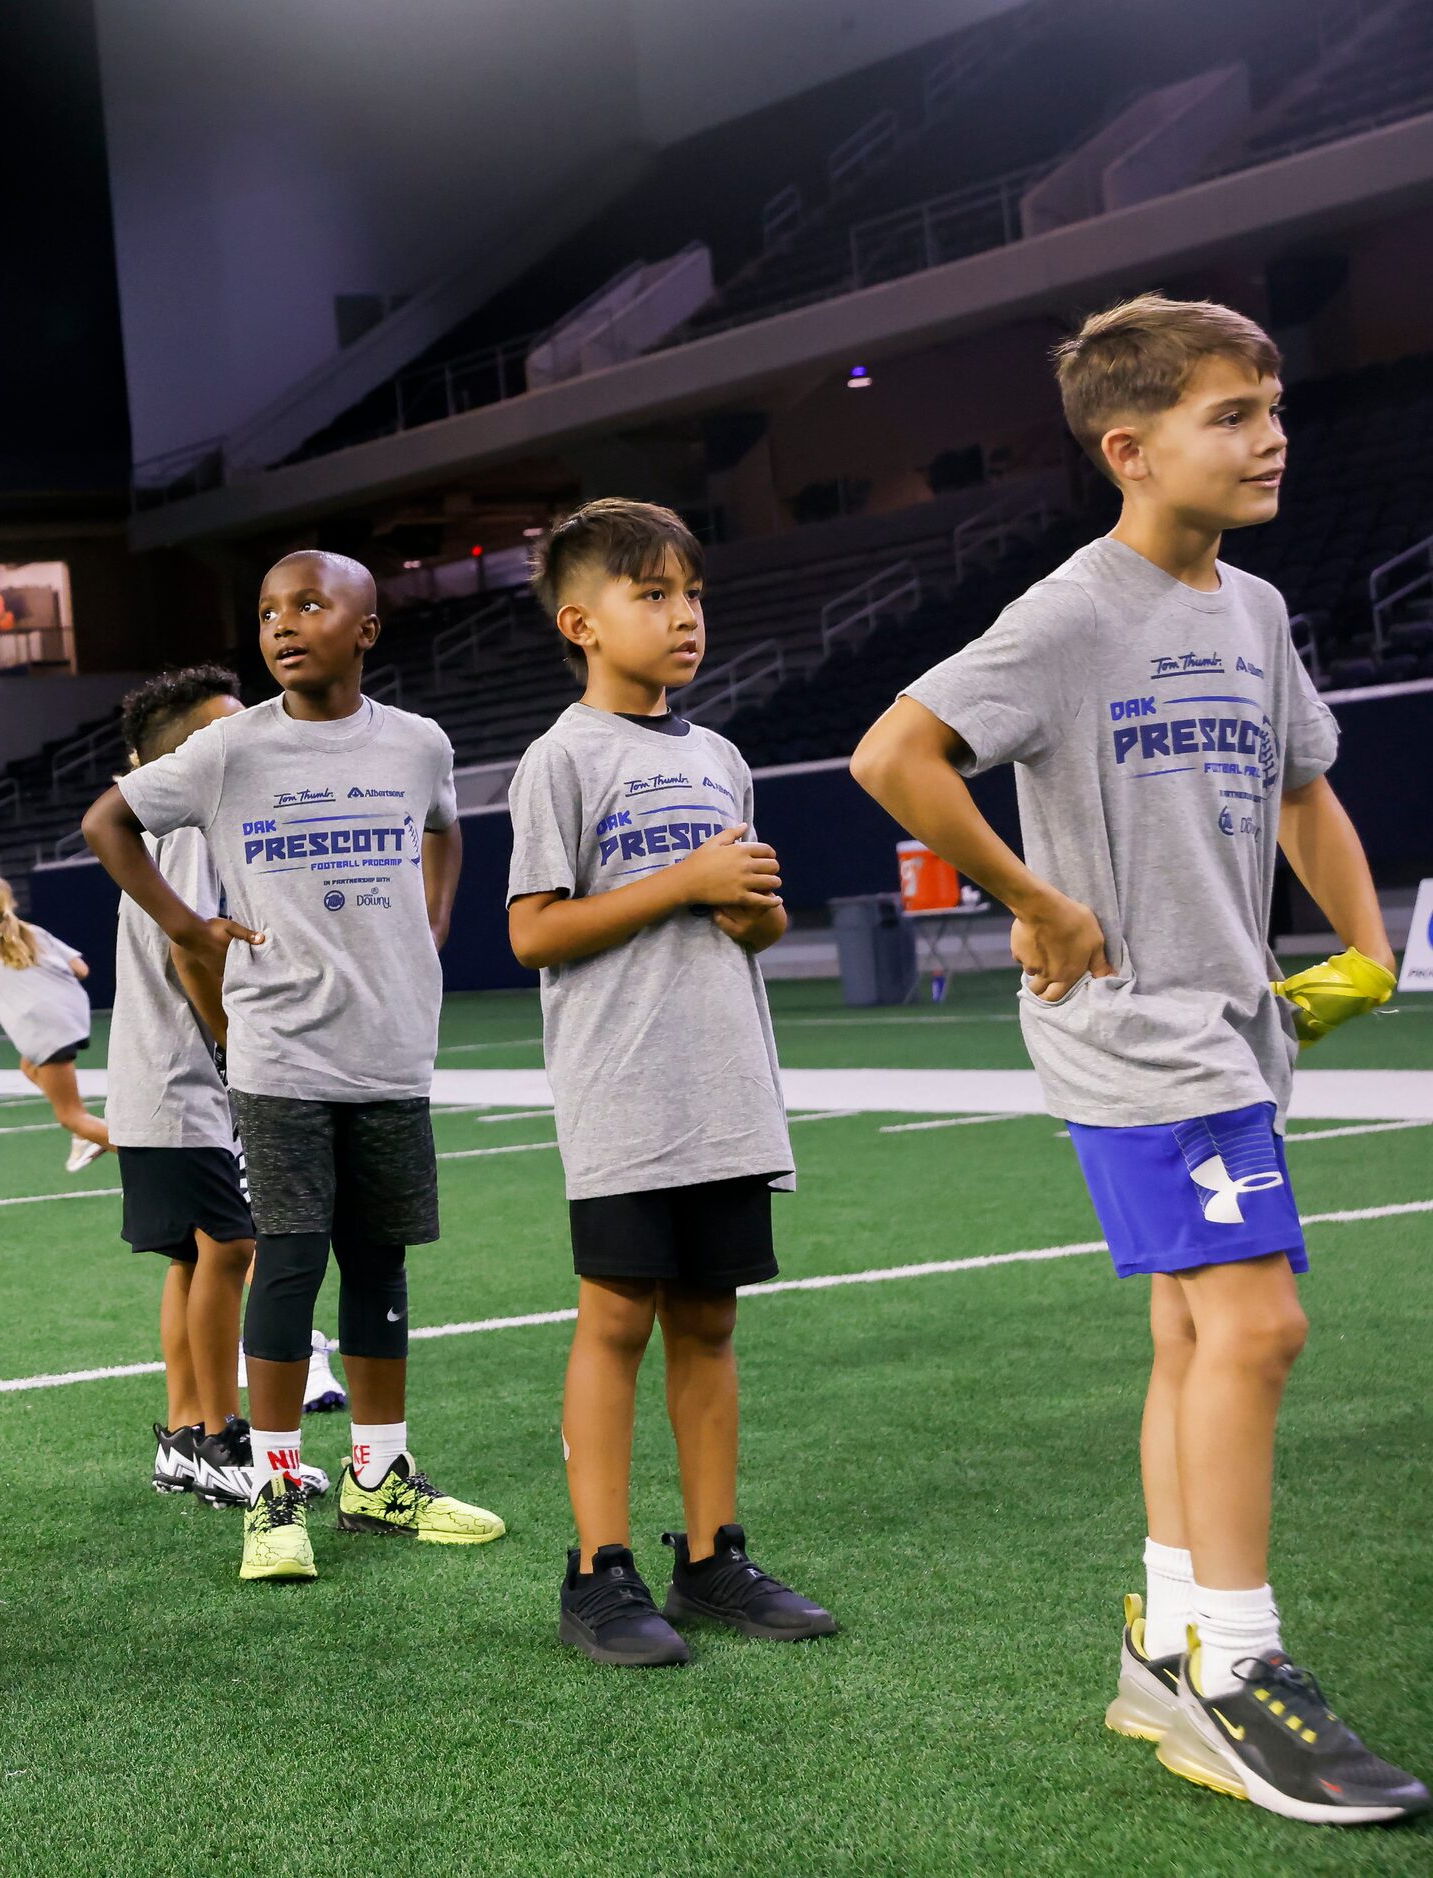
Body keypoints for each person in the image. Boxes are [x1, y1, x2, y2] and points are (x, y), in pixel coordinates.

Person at [853, 295, 1422, 1826]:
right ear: (1131, 447)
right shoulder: (1070, 611)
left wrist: (1366, 948)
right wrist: (1035, 898)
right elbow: (891, 755)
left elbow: (1307, 787)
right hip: (1140, 1028)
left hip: (1233, 1026)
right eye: (1230, 414)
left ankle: (1169, 1642)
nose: (1271, 433)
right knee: (1260, 1325)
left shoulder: (1254, 609)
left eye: (1273, 403)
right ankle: (1239, 1667)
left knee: (1194, 1328)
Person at [84, 549, 505, 1585]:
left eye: (308, 605)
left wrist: (433, 919)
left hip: (391, 1049)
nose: (281, 624)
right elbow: (109, 821)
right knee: (283, 1262)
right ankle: (272, 1494)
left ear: (364, 627)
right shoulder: (230, 750)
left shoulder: (416, 744)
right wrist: (189, 922)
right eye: (268, 610)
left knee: (380, 1265)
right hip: (275, 1054)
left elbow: (447, 832)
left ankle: (378, 1478)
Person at [507, 499, 837, 1667]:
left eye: (690, 594)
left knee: (709, 1320)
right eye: (651, 596)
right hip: (624, 1088)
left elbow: (752, 921)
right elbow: (533, 934)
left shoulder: (718, 756)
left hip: (723, 1085)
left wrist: (749, 906)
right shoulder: (560, 757)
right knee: (614, 1320)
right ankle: (597, 1571)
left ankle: (711, 1557)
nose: (683, 616)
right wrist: (684, 880)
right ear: (581, 622)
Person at [104, 668, 271, 1507]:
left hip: (152, 1078)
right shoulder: (195, 829)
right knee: (230, 1248)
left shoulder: (163, 833)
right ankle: (218, 1439)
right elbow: (192, 950)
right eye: (226, 731)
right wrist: (240, 1048)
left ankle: (181, 1437)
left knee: (192, 1260)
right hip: (182, 1080)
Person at [0, 875, 110, 1172]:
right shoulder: (32, 932)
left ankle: (135, 1155)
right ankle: (86, 1134)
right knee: (29, 1066)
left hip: (45, 1029)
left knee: (69, 1114)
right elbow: (81, 969)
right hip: (74, 1016)